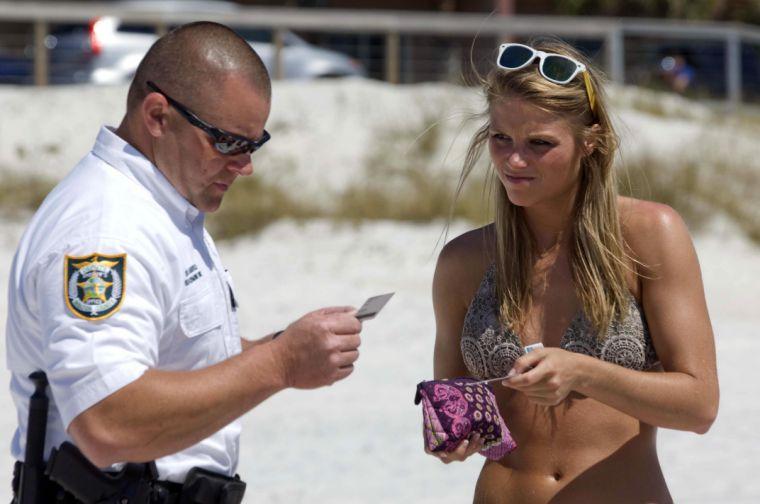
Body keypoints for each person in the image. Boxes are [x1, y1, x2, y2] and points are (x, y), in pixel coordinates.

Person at [6, 22, 362, 501]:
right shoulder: (107, 230)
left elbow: (174, 350)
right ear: (157, 116)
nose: (245, 165)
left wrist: (276, 348)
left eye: (254, 145)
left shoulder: (160, 207)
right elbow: (105, 422)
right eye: (228, 142)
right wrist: (279, 364)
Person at [427, 39, 718, 503]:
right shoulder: (464, 260)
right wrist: (452, 433)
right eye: (501, 138)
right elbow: (457, 401)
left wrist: (584, 373)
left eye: (540, 143)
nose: (514, 159)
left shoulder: (648, 235)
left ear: (591, 140)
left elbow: (699, 406)